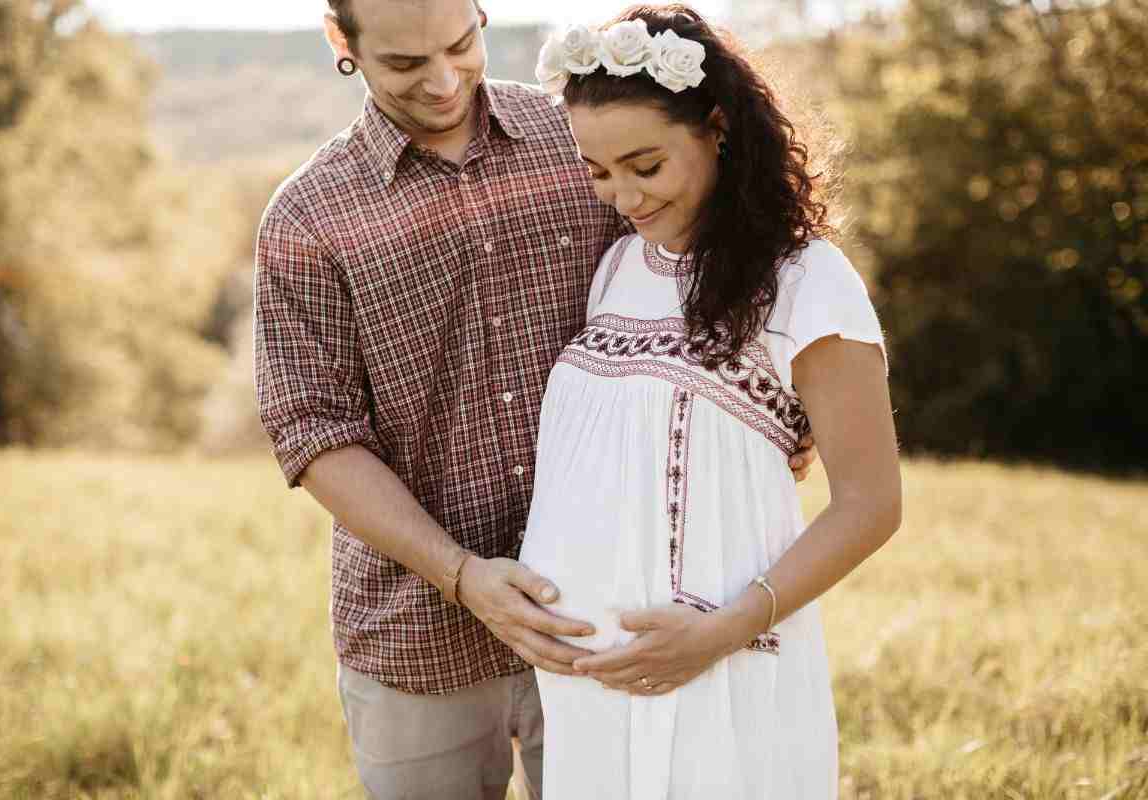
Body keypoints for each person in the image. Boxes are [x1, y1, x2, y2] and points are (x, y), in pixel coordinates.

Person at [252, 0, 817, 797]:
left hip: (615, 609)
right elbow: (313, 433)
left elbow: (699, 287)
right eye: (407, 64)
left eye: (460, 44)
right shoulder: (306, 217)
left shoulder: (581, 142)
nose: (445, 81)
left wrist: (778, 415)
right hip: (418, 634)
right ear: (342, 42)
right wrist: (461, 574)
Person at [517, 5, 902, 799]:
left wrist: (719, 633)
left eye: (645, 166)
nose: (622, 195)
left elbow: (871, 505)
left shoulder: (806, 281)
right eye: (598, 171)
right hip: (592, 687)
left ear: (717, 127)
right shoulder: (617, 268)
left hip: (719, 665)